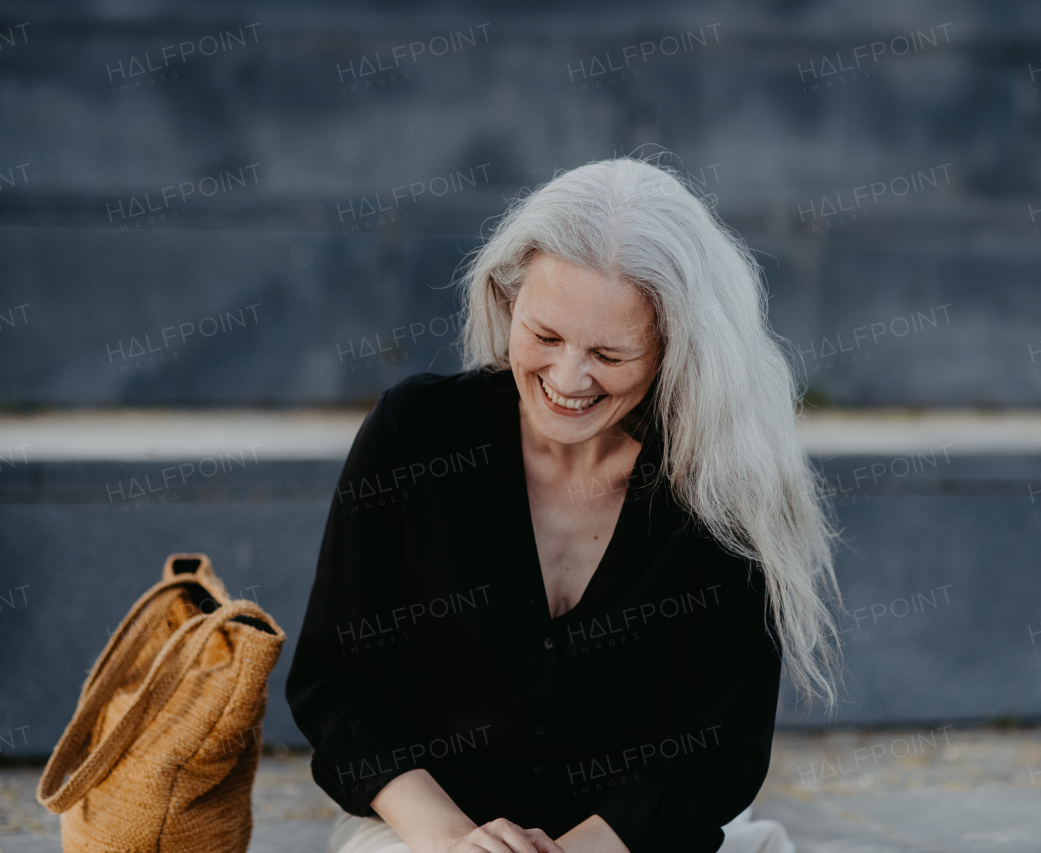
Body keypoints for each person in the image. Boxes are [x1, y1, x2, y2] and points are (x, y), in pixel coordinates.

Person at [286, 156, 844, 853]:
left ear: (674, 350)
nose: (568, 378)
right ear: (507, 298)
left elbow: (716, 749)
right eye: (545, 336)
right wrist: (457, 839)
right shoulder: (415, 434)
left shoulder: (722, 486)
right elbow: (338, 688)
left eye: (610, 354)